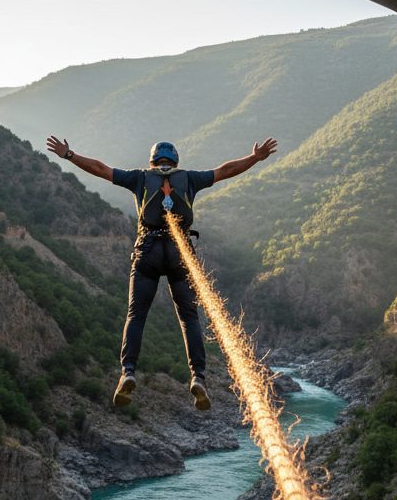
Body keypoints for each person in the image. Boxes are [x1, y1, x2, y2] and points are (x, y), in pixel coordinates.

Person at [45, 134, 278, 410]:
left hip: (148, 250)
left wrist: (69, 155)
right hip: (181, 253)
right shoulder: (190, 178)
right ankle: (198, 377)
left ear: (153, 161)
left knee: (136, 315)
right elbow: (226, 170)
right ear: (175, 161)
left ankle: (128, 372)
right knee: (189, 318)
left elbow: (100, 169)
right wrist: (255, 158)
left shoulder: (139, 178)